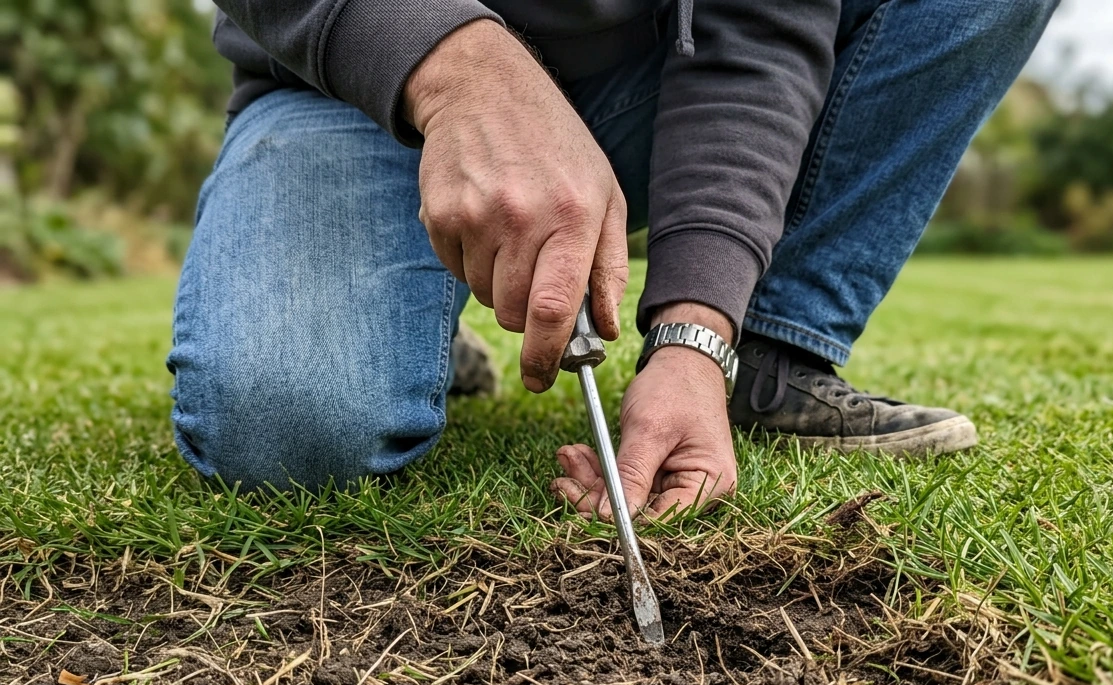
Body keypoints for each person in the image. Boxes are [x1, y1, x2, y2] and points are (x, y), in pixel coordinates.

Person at [169, 0, 1058, 518]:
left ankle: (768, 354)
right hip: (352, 80)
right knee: (288, 432)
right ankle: (421, 320)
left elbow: (757, 33)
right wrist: (460, 70)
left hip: (647, 75)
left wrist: (696, 336)